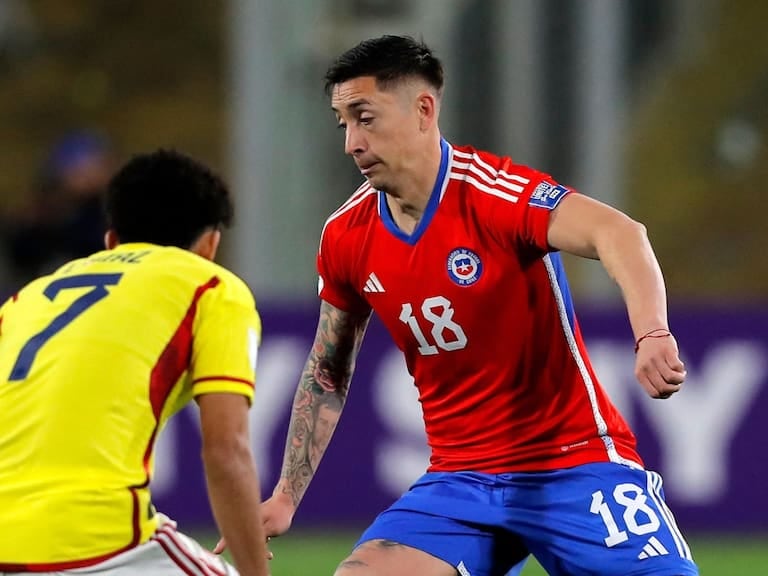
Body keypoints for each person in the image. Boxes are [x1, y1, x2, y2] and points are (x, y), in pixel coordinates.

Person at [251, 35, 702, 576]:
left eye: (364, 117)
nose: (351, 141)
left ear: (424, 110)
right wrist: (285, 495)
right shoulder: (346, 235)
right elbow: (328, 370)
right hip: (460, 481)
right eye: (342, 122)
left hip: (574, 463)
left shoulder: (495, 194)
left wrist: (652, 331)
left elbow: (619, 232)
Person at [0, 149, 270, 576]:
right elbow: (226, 450)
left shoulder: (25, 300)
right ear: (210, 244)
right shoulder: (210, 287)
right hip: (98, 543)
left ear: (111, 238)